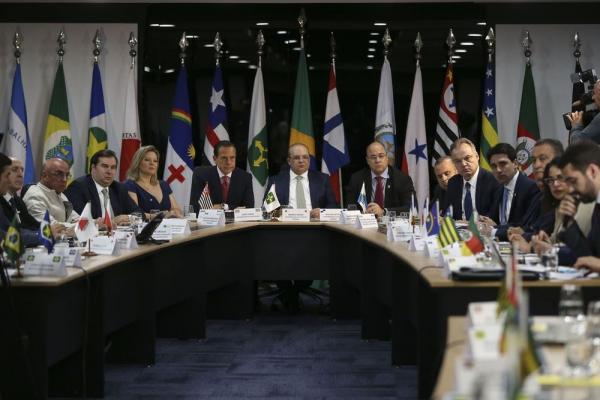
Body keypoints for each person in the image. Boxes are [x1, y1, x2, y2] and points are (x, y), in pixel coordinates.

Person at [509, 159, 594, 252]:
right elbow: (556, 242)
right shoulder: (559, 205)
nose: (555, 184)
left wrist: (533, 248)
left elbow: (578, 250)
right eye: (551, 180)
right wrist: (544, 242)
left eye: (560, 178)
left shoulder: (586, 206)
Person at [479, 143, 540, 240]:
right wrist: (484, 221)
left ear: (515, 164)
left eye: (503, 164)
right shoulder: (499, 188)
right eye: (494, 166)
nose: (498, 170)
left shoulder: (530, 187)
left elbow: (524, 226)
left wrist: (495, 229)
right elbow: (494, 220)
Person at [555, 141, 600, 270]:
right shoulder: (597, 206)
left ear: (592, 171)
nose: (569, 190)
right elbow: (587, 257)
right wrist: (569, 223)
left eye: (573, 181)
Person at [65, 149, 140, 224]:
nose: (109, 171)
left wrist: (129, 218)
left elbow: (138, 213)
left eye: (113, 167)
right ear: (93, 168)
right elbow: (81, 222)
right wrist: (112, 222)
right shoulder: (79, 187)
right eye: (105, 166)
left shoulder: (118, 188)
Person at [266, 143, 337, 219]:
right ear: (289, 161)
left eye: (305, 157)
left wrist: (322, 213)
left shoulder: (322, 179)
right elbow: (268, 209)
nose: (301, 160)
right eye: (297, 158)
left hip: (315, 225)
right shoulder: (276, 181)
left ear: (309, 160)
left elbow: (333, 206)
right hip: (286, 226)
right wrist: (282, 214)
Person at [345, 141, 414, 217]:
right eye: (373, 157)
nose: (377, 160)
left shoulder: (402, 179)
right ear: (367, 160)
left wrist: (383, 212)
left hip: (391, 225)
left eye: (381, 156)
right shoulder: (357, 179)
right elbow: (350, 206)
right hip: (365, 225)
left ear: (387, 158)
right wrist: (363, 214)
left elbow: (411, 207)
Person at [443, 138, 500, 220]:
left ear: (477, 156)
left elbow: (495, 217)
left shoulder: (493, 181)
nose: (463, 164)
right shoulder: (453, 182)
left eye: (467, 158)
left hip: (482, 231)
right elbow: (447, 214)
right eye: (458, 161)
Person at [189, 140, 254, 212]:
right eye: (224, 158)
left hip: (236, 222)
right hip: (209, 221)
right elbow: (195, 207)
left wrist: (223, 207)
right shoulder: (201, 174)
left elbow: (249, 208)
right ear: (215, 159)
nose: (229, 162)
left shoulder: (245, 177)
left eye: (232, 158)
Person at [125, 145, 182, 218]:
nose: (152, 163)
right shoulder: (130, 185)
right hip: (144, 228)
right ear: (138, 163)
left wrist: (174, 213)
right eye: (147, 160)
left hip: (168, 227)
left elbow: (177, 209)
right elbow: (135, 214)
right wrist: (161, 216)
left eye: (155, 161)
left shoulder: (163, 185)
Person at [0, 153, 42, 247]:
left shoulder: (17, 200)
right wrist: (42, 235)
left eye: (22, 170)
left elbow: (25, 226)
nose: (20, 175)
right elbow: (7, 236)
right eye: (13, 171)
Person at [23, 158, 80, 224]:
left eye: (67, 175)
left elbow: (77, 219)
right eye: (59, 174)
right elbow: (50, 226)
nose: (64, 180)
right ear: (44, 176)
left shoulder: (60, 194)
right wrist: (77, 227)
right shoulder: (34, 196)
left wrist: (92, 222)